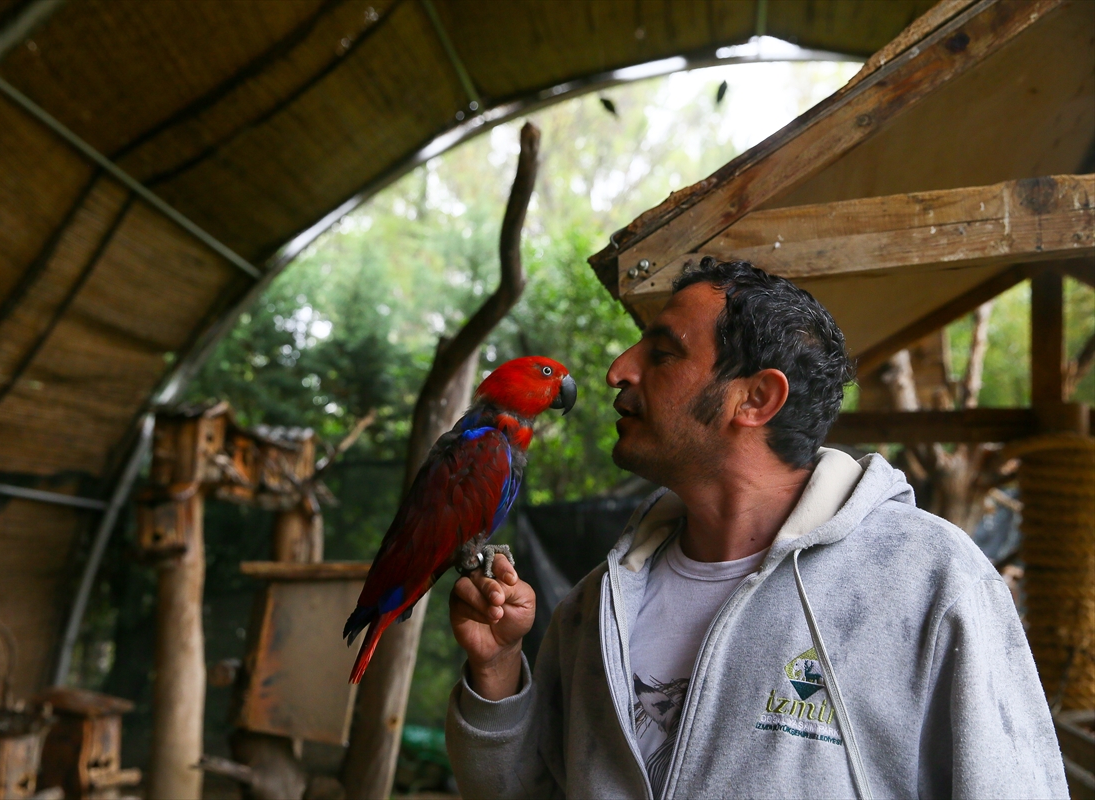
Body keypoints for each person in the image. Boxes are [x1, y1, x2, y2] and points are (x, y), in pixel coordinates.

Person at [444, 257, 1067, 799]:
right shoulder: (596, 606)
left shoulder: (931, 580)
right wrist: (498, 673)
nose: (617, 370)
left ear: (757, 400)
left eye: (661, 354)